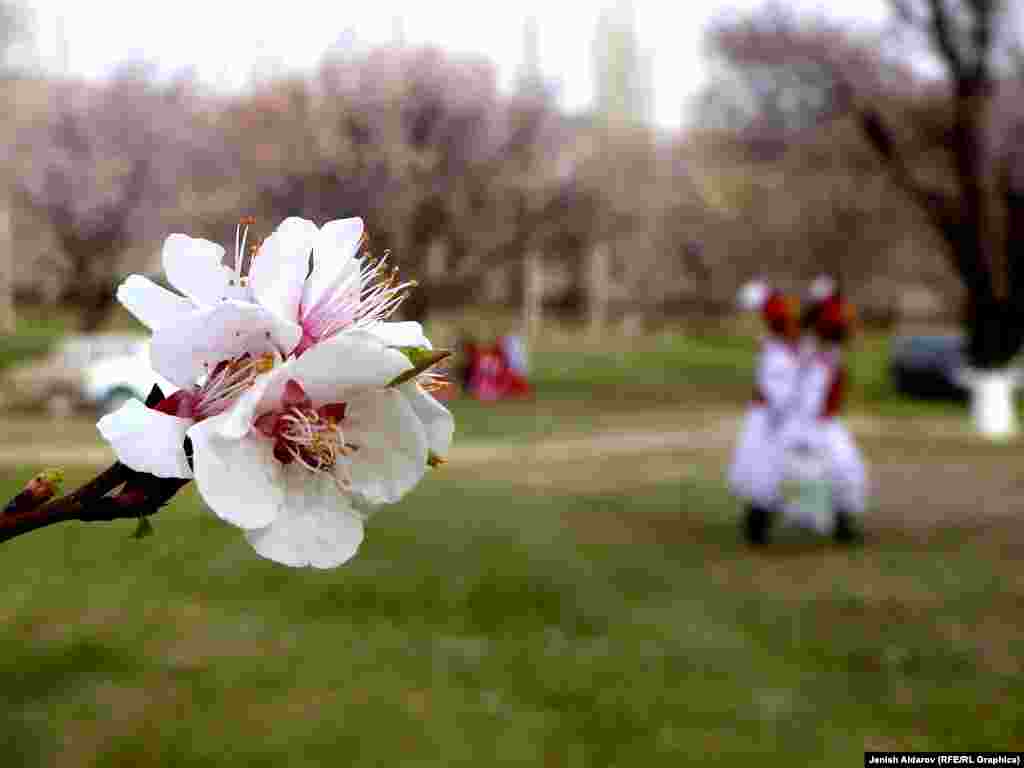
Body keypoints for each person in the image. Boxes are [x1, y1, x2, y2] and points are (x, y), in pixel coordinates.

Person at [785, 292, 867, 542]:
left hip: (826, 422)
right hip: (811, 423)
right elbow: (804, 392)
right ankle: (829, 520)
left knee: (846, 469)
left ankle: (841, 523)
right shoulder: (809, 351)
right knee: (822, 471)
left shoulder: (828, 350)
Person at [729, 281, 803, 544]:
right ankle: (758, 520)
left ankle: (760, 520)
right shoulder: (778, 348)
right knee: (761, 468)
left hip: (772, 416)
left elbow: (779, 390)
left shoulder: (780, 350)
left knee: (765, 468)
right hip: (770, 413)